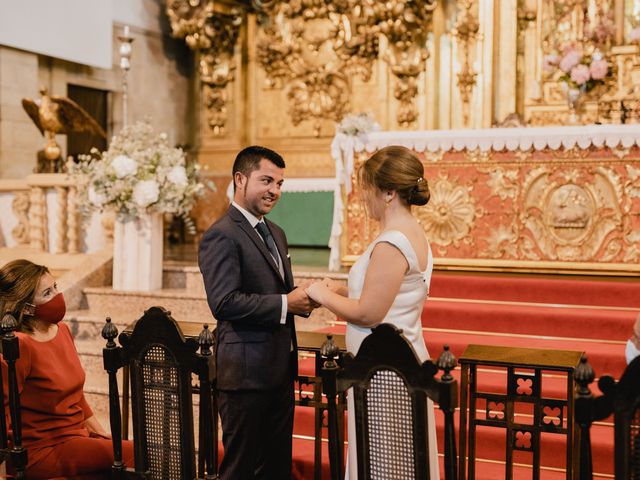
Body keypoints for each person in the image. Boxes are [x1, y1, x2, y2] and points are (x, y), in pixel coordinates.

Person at [305, 145, 439, 479]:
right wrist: (342, 290)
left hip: (384, 371)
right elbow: (391, 291)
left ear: (390, 192)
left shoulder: (391, 242)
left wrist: (321, 294)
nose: (364, 198)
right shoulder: (411, 233)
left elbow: (369, 313)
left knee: (384, 465)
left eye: (368, 189)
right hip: (399, 362)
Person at [198, 145, 317, 479]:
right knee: (240, 468)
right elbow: (223, 302)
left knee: (276, 467)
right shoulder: (221, 235)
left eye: (279, 183)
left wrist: (304, 297)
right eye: (267, 181)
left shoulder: (275, 233)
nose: (275, 191)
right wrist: (285, 304)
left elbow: (276, 291)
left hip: (278, 368)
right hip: (245, 375)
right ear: (240, 179)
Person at [0, 259, 134, 479]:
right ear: (26, 308)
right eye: (47, 293)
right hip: (43, 448)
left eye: (55, 288)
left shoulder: (61, 330)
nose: (57, 297)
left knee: (128, 451)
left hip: (76, 438)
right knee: (140, 455)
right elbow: (3, 409)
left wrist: (101, 434)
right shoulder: (19, 345)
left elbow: (76, 396)